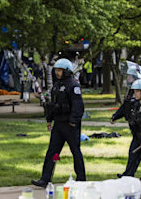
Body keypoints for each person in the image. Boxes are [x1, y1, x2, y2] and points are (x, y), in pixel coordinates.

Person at [32, 58, 86, 187]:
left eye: (60, 70)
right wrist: (49, 119)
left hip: (70, 125)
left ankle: (81, 179)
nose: (57, 73)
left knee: (75, 151)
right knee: (53, 152)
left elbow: (78, 106)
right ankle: (45, 179)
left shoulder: (73, 86)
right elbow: (53, 105)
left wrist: (73, 122)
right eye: (56, 70)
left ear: (66, 71)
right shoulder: (56, 85)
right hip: (58, 125)